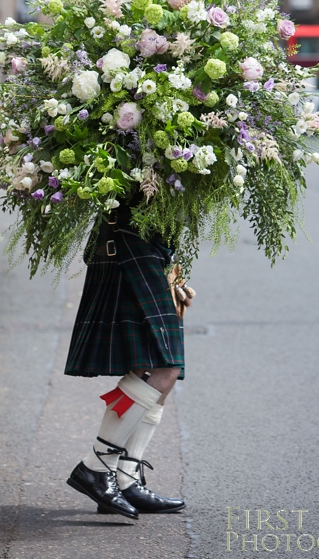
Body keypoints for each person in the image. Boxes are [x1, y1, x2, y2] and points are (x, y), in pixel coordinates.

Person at [64, 196, 193, 519]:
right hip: (133, 241)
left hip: (145, 241)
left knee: (152, 368)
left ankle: (125, 477)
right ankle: (96, 466)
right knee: (165, 368)